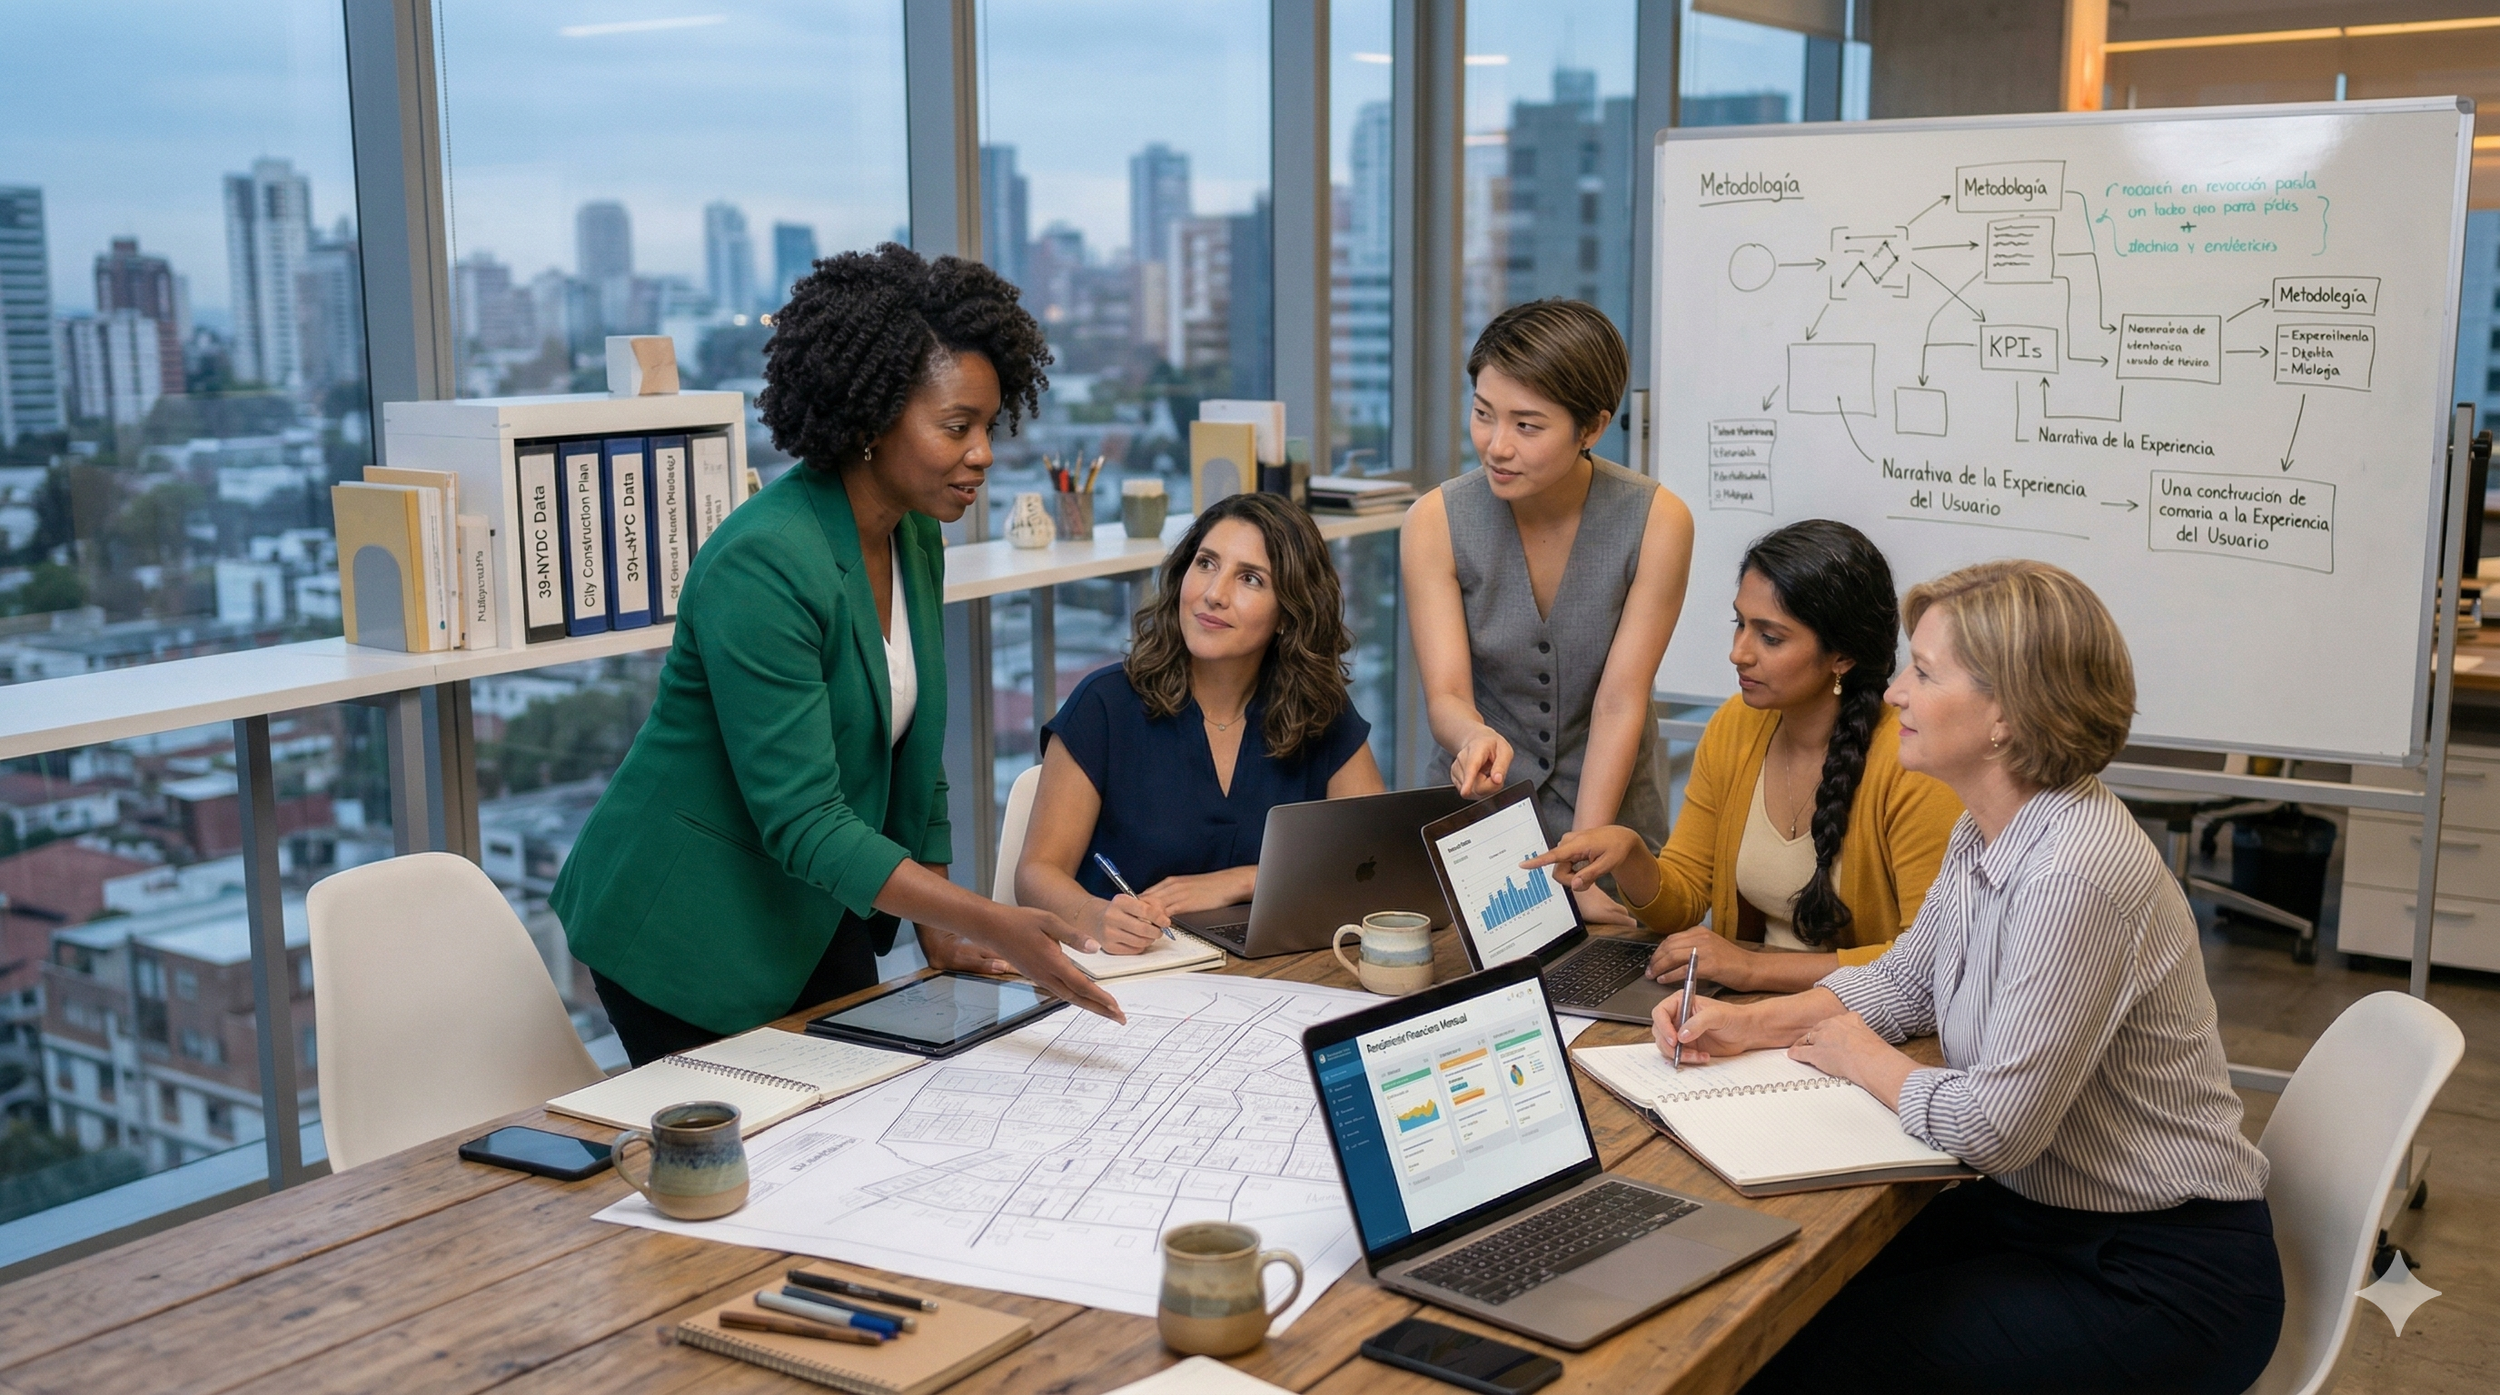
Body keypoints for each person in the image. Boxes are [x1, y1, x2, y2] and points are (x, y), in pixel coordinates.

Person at [1661, 560, 2282, 1395]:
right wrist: (1749, 1025)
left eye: (1924, 672)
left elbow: (1995, 1130)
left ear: (2006, 716)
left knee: (1798, 1352)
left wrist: (1864, 1058)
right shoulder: (1991, 828)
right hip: (2045, 1219)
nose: (1894, 694)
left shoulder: (2075, 872)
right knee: (1770, 1292)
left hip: (2159, 1275)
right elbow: (1909, 980)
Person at [553, 244, 1122, 1066]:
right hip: (685, 926)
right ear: (871, 419)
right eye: (956, 426)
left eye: (989, 427)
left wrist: (939, 922)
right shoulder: (764, 562)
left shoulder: (915, 534)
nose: (984, 454)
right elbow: (803, 817)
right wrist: (985, 915)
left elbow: (918, 753)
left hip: (813, 905)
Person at [1528, 521, 1961, 993]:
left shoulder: (1912, 762)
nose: (1738, 653)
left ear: (1842, 657)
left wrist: (1752, 969)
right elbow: (1686, 898)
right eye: (1740, 624)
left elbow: (1926, 956)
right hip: (1747, 1009)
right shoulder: (1737, 724)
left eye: (1770, 638)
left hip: (1863, 1023)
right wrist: (1631, 854)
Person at [1403, 298, 1693, 926]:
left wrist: (1584, 862)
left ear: (1591, 427)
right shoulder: (1435, 520)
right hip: (1476, 823)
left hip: (1611, 825)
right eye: (1483, 414)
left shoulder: (1657, 521)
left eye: (1528, 426)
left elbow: (1622, 698)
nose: (1497, 446)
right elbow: (1447, 694)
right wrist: (1474, 736)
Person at [1018, 491, 1385, 952]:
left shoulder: (1318, 710)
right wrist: (1095, 915)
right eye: (1206, 563)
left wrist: (1242, 881)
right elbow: (1035, 874)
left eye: (1250, 579)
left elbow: (1375, 862)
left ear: (1289, 615)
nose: (1214, 594)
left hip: (1269, 977)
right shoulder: (1104, 704)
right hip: (1130, 978)